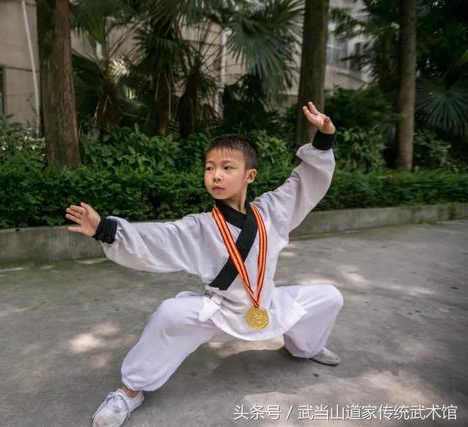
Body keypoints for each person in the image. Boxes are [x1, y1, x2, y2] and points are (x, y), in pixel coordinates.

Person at [65, 101, 344, 427]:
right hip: (220, 313)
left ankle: (305, 347)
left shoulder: (271, 212)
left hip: (266, 306)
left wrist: (324, 138)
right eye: (210, 167)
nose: (216, 175)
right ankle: (130, 390)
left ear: (249, 176)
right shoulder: (199, 226)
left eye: (227, 167)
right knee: (169, 314)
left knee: (330, 297)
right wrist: (104, 229)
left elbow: (303, 185)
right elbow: (157, 238)